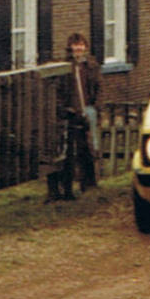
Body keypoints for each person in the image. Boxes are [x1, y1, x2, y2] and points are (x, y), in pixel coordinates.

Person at [48, 32, 100, 201]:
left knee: (89, 148)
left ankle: (89, 183)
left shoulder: (91, 66)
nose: (79, 48)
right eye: (75, 45)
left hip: (87, 110)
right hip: (71, 113)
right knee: (69, 152)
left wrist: (95, 107)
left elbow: (98, 87)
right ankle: (66, 187)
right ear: (70, 47)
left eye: (81, 45)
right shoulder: (65, 67)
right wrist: (66, 108)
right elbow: (59, 90)